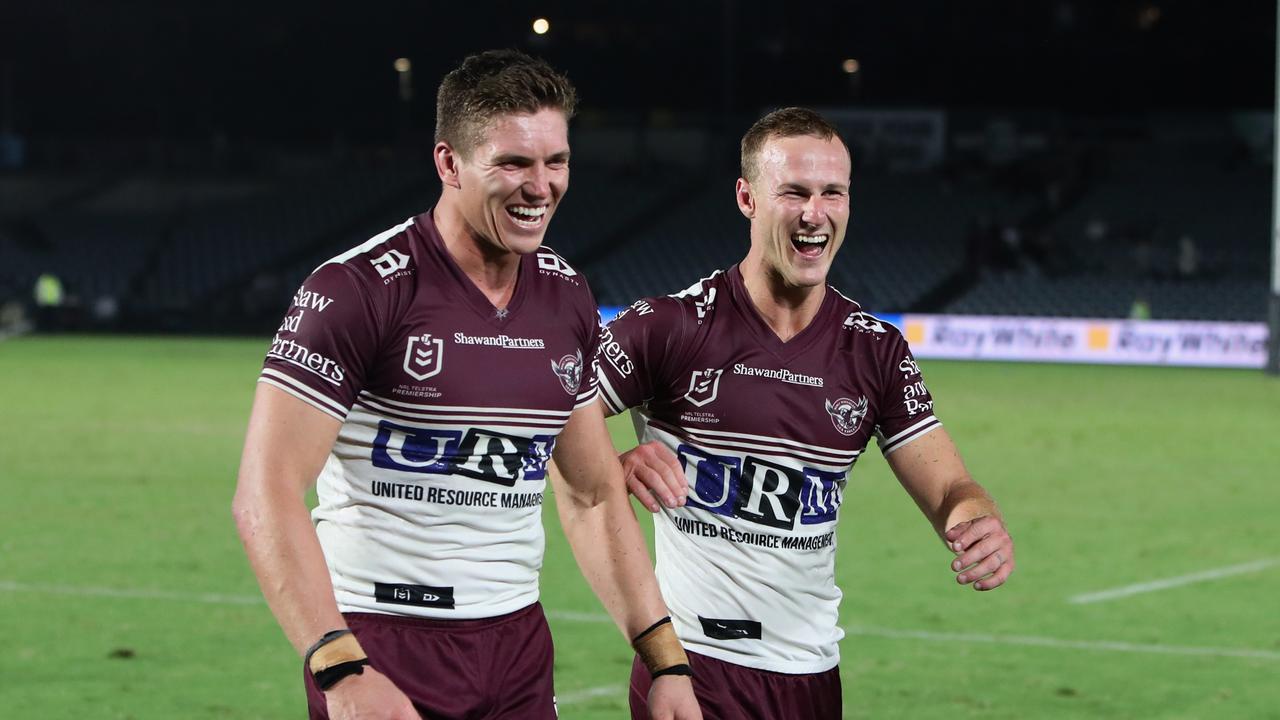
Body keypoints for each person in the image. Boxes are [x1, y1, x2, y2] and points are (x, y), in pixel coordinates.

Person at [232, 50, 700, 720]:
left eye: (555, 162)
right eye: (513, 163)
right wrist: (339, 666)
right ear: (449, 163)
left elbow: (593, 495)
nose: (540, 186)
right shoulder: (357, 289)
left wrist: (666, 660)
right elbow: (265, 493)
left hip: (516, 648)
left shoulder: (566, 297)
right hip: (382, 644)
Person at [592, 108, 1016, 719]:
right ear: (748, 197)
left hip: (812, 675)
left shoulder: (874, 350)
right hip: (693, 665)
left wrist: (980, 517)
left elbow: (950, 486)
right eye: (793, 191)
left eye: (832, 193)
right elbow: (539, 412)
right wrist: (610, 460)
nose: (814, 212)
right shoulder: (669, 326)